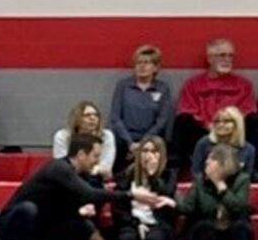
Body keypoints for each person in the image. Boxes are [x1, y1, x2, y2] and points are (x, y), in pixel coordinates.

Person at [0, 135, 104, 240]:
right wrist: (130, 194)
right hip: (12, 225)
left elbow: (61, 209)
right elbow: (89, 194)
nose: (97, 161)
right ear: (81, 155)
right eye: (95, 156)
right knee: (28, 209)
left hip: (42, 224)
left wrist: (81, 212)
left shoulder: (84, 177)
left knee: (83, 227)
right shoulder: (58, 168)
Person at [172, 37, 257, 168]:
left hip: (235, 131)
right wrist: (211, 126)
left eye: (230, 56)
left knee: (254, 120)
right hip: (204, 131)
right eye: (222, 55)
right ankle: (179, 170)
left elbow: (247, 111)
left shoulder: (244, 85)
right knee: (182, 121)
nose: (227, 59)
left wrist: (228, 125)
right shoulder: (193, 84)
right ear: (210, 58)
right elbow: (188, 110)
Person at [178, 141, 253, 240]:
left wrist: (220, 186)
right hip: (210, 227)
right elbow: (189, 208)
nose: (206, 162)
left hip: (231, 226)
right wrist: (172, 201)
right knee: (204, 226)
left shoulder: (242, 179)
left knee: (240, 228)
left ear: (224, 163)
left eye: (212, 159)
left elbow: (239, 207)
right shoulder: (200, 180)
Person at [110, 135, 177, 240]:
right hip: (131, 223)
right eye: (145, 151)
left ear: (162, 154)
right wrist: (137, 224)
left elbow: (166, 201)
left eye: (154, 151)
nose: (149, 155)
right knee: (127, 239)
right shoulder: (125, 176)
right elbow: (118, 207)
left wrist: (153, 177)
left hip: (159, 224)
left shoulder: (168, 175)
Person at [108, 44, 174, 163]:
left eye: (147, 62)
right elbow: (115, 118)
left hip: (152, 139)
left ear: (156, 67)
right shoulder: (123, 86)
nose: (142, 66)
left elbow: (162, 121)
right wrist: (130, 144)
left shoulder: (163, 88)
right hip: (125, 141)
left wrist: (143, 144)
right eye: (138, 62)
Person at [190, 105, 257, 180]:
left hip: (236, 190)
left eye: (226, 121)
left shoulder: (249, 149)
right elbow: (196, 173)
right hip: (207, 188)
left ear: (237, 124)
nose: (221, 125)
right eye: (217, 121)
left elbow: (247, 177)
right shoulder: (203, 143)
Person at [52, 101, 116, 178]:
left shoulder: (106, 136)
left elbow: (106, 168)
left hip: (96, 178)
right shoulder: (62, 136)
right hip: (69, 177)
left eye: (96, 115)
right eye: (87, 115)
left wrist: (91, 169)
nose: (92, 118)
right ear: (77, 119)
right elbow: (61, 166)